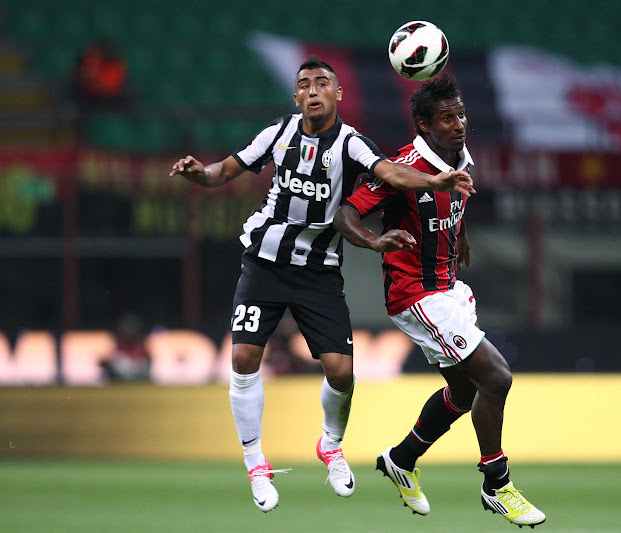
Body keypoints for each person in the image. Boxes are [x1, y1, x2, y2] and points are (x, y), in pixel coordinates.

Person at [168, 56, 474, 513]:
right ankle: (255, 463)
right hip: (265, 261)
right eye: (305, 84)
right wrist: (199, 173)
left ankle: (330, 445)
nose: (313, 90)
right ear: (296, 96)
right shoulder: (277, 133)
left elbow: (390, 173)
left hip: (319, 268)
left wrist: (434, 180)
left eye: (322, 83)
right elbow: (223, 171)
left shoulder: (352, 143)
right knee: (244, 357)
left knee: (342, 371)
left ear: (338, 94)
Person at [333, 74, 546, 528]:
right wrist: (373, 241)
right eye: (447, 118)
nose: (459, 124)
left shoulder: (459, 157)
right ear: (424, 126)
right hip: (417, 294)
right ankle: (497, 484)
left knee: (465, 390)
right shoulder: (401, 168)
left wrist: (460, 233)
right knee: (497, 378)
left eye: (461, 114)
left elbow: (453, 198)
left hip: (448, 288)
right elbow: (345, 214)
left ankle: (401, 459)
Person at [99, 313, 151, 382]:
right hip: (119, 381)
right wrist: (107, 364)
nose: (129, 334)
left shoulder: (141, 347)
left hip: (138, 380)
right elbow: (112, 366)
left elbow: (145, 368)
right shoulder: (119, 346)